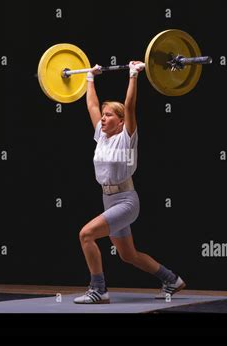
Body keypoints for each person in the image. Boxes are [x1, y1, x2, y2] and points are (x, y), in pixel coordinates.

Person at [74, 61, 185, 304]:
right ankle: (171, 280)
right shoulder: (101, 137)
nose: (102, 118)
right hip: (108, 200)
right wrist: (90, 78)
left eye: (109, 115)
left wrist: (133, 76)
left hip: (126, 201)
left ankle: (99, 289)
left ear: (122, 121)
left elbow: (131, 106)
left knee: (86, 235)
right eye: (102, 115)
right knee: (128, 255)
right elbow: (91, 104)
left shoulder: (127, 137)